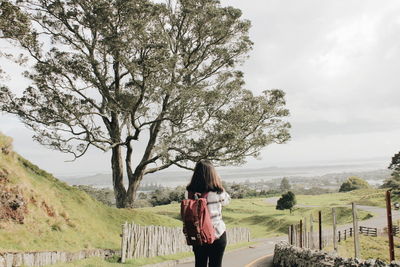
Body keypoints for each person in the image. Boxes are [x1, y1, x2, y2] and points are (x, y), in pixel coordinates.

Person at [186, 159, 231, 267]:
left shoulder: (189, 192)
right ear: (212, 174)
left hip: (198, 235)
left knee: (200, 264)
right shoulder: (218, 192)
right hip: (217, 234)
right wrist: (220, 184)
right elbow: (227, 202)